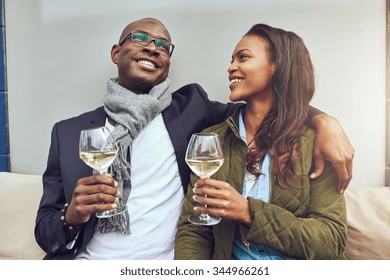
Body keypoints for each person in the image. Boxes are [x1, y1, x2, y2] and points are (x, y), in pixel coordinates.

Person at [35, 18, 352, 260]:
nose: (153, 47)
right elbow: (45, 230)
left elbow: (270, 108)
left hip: (164, 264)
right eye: (141, 38)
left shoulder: (191, 111)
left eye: (163, 45)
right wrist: (70, 217)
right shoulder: (68, 133)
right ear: (116, 52)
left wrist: (325, 120)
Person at [174, 23, 348, 260]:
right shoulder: (211, 140)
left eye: (243, 58)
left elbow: (331, 240)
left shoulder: (317, 143)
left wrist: (249, 212)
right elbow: (194, 231)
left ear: (278, 66)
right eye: (232, 59)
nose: (231, 67)